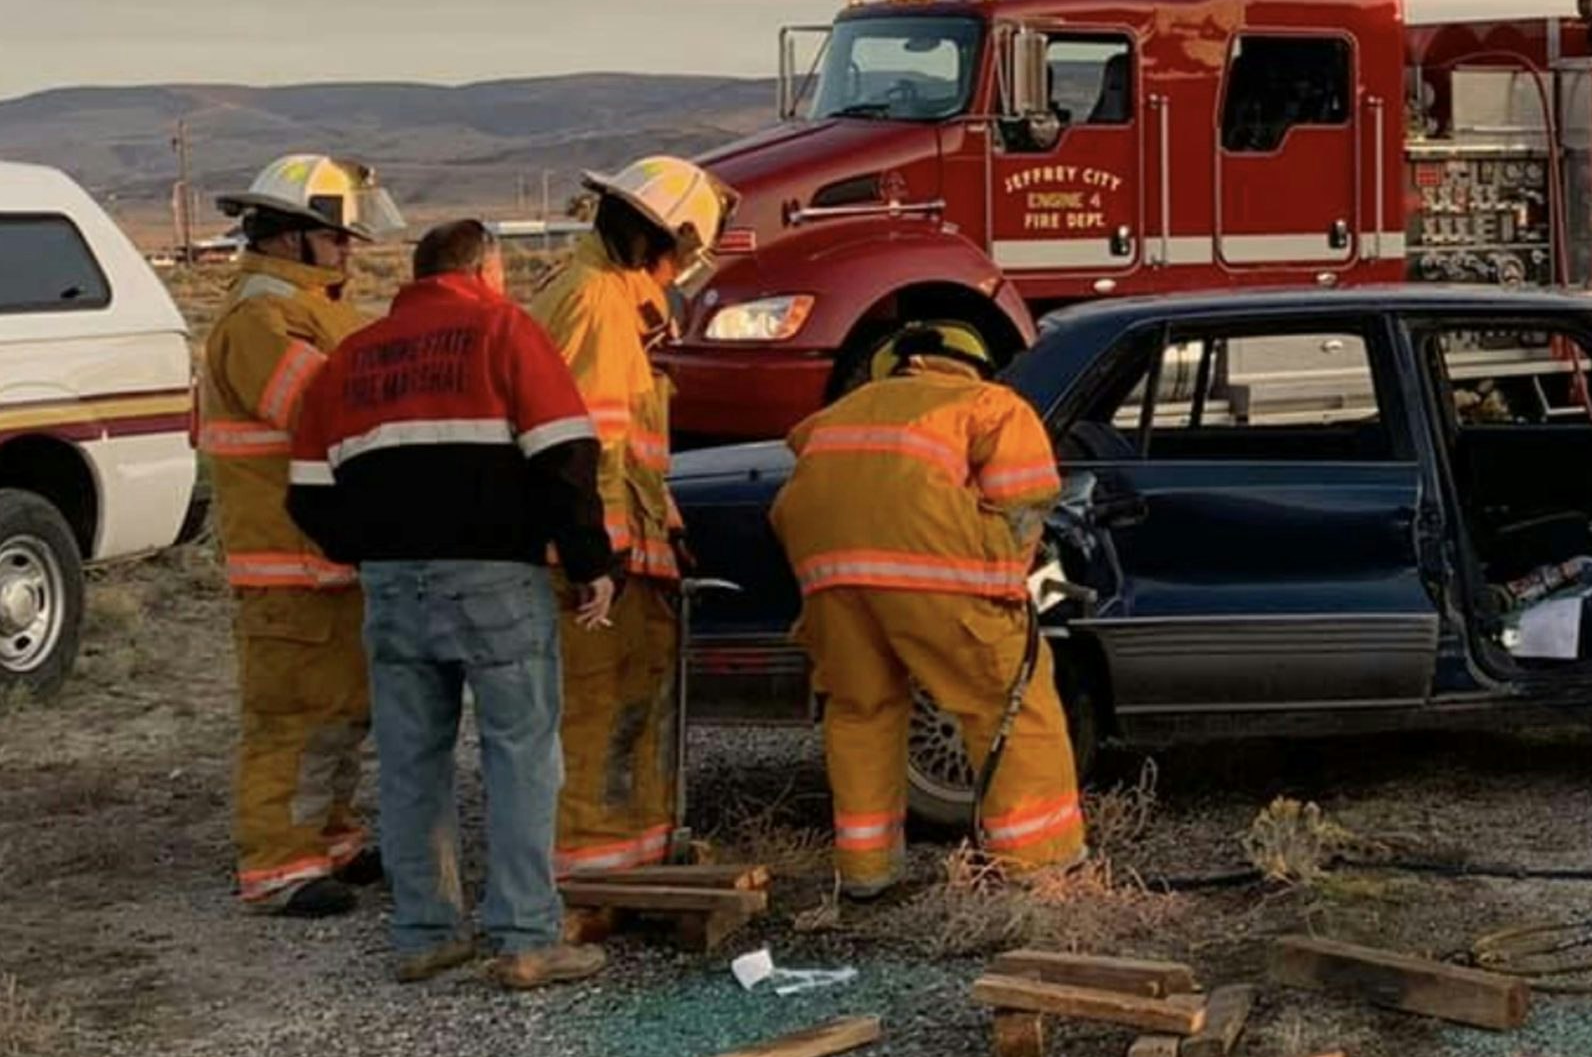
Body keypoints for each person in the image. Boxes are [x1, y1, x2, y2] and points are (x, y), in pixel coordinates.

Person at [286, 220, 619, 988]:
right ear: (487, 268)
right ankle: (528, 936)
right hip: (496, 578)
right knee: (521, 754)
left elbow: (305, 491)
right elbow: (565, 454)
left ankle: (425, 933)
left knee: (409, 763)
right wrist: (589, 561)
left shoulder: (353, 357)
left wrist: (369, 546)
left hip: (392, 585)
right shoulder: (505, 330)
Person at [770, 321, 1084, 895]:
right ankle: (1041, 863)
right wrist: (1008, 579)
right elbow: (1027, 498)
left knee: (861, 711)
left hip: (831, 581)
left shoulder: (837, 418)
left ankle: (866, 871)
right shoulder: (987, 404)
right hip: (937, 575)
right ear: (969, 365)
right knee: (1008, 701)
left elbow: (794, 501)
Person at [200, 154, 397, 916]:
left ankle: (330, 838)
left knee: (342, 708)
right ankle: (278, 865)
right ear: (290, 239)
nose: (349, 251)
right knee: (289, 718)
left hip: (324, 556)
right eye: (335, 238)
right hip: (284, 564)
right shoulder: (261, 317)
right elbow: (324, 412)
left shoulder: (313, 308)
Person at [529, 157, 730, 877]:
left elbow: (630, 452)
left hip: (621, 550)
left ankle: (631, 855)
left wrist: (666, 526)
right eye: (683, 258)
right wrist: (601, 558)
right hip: (597, 564)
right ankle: (590, 870)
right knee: (596, 710)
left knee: (624, 705)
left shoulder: (594, 295)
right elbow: (584, 444)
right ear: (661, 242)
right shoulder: (596, 303)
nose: (679, 277)